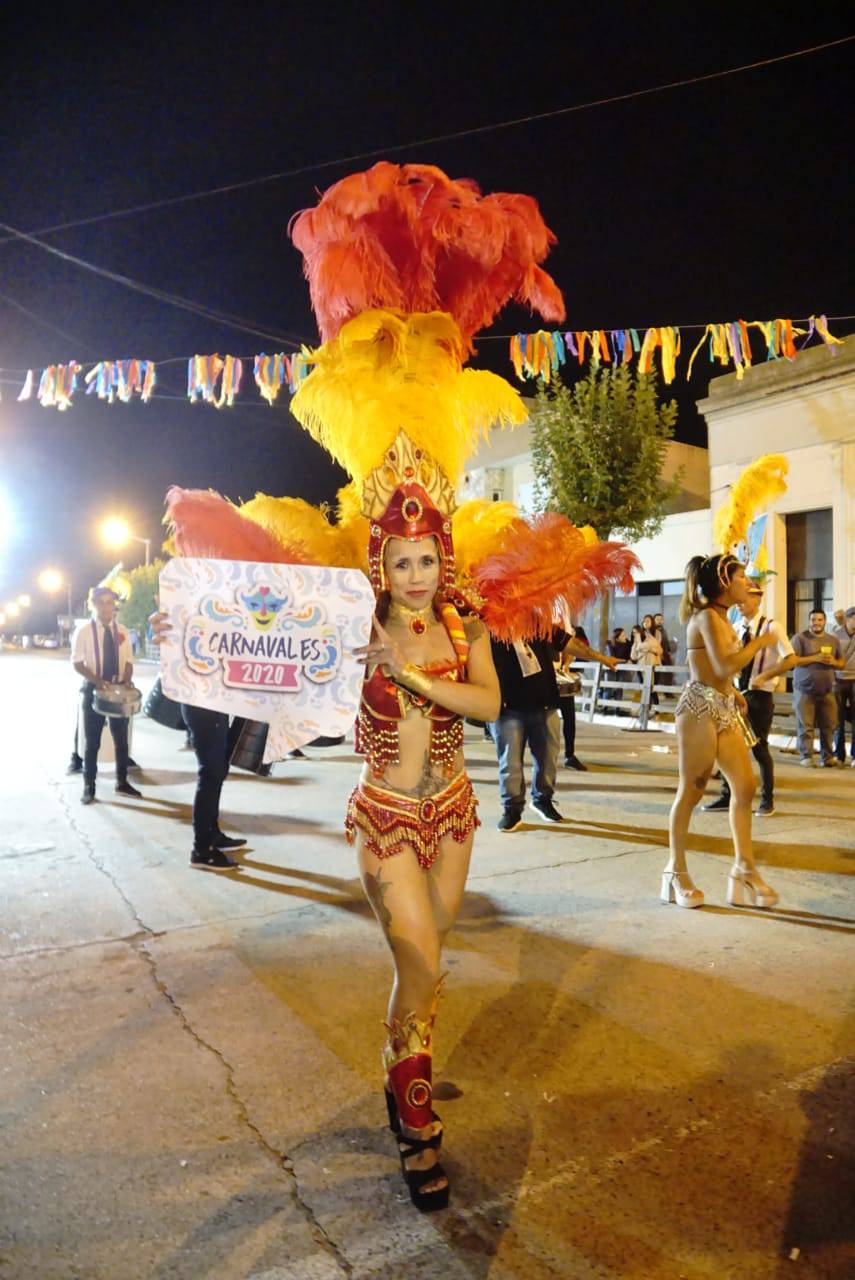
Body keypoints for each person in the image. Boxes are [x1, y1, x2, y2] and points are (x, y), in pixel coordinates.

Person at [662, 554, 779, 910]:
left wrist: (734, 692)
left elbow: (720, 672)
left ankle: (744, 868)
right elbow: (724, 664)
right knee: (693, 789)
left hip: (723, 706)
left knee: (744, 786)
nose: (748, 582)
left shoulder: (722, 619)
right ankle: (675, 872)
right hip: (698, 708)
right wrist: (761, 643)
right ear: (725, 583)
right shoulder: (707, 618)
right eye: (742, 577)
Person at [700, 579, 807, 817]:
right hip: (735, 693)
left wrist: (767, 674)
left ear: (757, 599)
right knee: (726, 745)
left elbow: (790, 659)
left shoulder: (772, 626)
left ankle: (767, 800)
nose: (739, 603)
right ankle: (727, 796)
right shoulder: (735, 626)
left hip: (760, 695)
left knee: (759, 748)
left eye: (745, 598)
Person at [71, 587, 142, 805]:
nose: (106, 607)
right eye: (101, 602)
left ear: (114, 605)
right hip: (94, 690)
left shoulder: (122, 631)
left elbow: (128, 661)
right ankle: (89, 787)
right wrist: (97, 681)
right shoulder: (83, 631)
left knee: (122, 741)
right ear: (94, 605)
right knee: (92, 742)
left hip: (119, 691)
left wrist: (127, 680)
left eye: (109, 602)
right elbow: (77, 663)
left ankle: (122, 782)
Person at [557, 625, 620, 763]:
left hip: (561, 681)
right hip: (542, 684)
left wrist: (603, 658)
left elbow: (571, 648)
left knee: (568, 719)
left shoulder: (557, 627)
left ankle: (569, 755)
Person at [790, 610, 844, 767]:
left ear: (825, 621)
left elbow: (841, 663)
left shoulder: (833, 640)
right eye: (813, 619)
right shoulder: (799, 638)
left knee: (829, 726)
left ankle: (827, 757)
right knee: (806, 726)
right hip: (804, 689)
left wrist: (833, 661)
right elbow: (793, 661)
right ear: (809, 621)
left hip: (827, 690)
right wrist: (815, 657)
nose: (816, 622)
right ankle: (806, 756)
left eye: (820, 619)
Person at [832, 607, 855, 765]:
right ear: (847, 619)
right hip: (838, 679)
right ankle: (839, 755)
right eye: (853, 618)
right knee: (837, 719)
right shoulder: (836, 634)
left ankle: (854, 755)